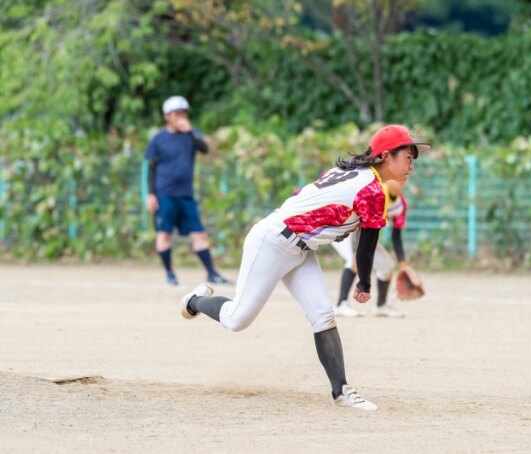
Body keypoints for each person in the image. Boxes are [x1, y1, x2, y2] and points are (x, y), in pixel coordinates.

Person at [180, 124, 430, 410]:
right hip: (273, 242)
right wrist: (364, 283)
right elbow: (366, 245)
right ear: (386, 156)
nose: (411, 164)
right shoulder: (372, 190)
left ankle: (341, 391)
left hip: (301, 248)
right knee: (237, 319)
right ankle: (195, 301)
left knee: (323, 315)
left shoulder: (354, 173)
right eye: (407, 157)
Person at [145, 95, 232, 286]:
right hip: (164, 194)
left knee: (199, 233)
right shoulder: (159, 139)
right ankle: (169, 273)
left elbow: (204, 149)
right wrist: (151, 194)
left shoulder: (191, 135)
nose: (182, 116)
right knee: (164, 234)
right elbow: (151, 168)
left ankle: (211, 273)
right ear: (167, 116)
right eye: (177, 113)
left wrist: (190, 131)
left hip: (185, 194)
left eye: (184, 112)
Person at [333, 189, 415, 318]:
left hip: (365, 235)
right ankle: (340, 305)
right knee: (353, 260)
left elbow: (396, 236)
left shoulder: (401, 203)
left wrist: (403, 264)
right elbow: (359, 221)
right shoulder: (376, 193)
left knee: (387, 266)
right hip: (344, 229)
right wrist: (356, 251)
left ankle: (380, 307)